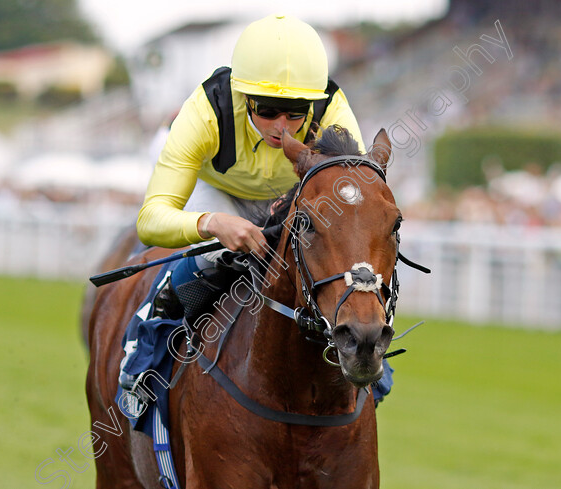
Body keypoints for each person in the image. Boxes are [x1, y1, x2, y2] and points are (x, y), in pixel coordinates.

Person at [119, 14, 397, 402]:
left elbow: (353, 203)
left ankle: (363, 346)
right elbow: (150, 220)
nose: (282, 126)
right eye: (267, 109)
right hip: (215, 192)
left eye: (295, 112)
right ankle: (143, 353)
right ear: (243, 97)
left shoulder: (331, 108)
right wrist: (213, 223)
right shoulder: (205, 111)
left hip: (293, 196)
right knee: (216, 252)